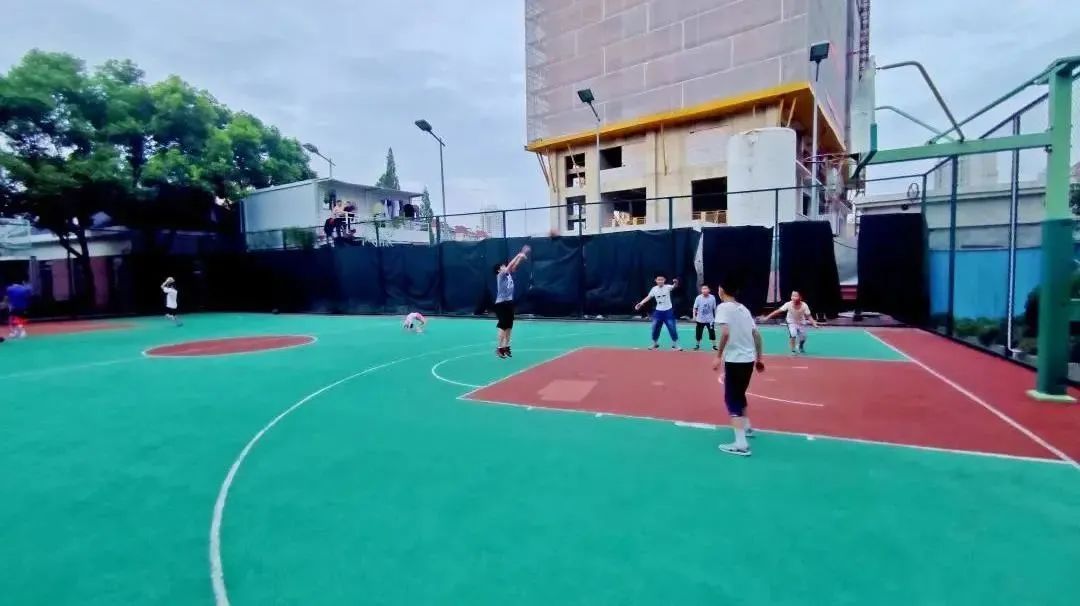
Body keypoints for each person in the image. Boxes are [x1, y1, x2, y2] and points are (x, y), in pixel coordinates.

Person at [712, 282, 765, 457]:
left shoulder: (723, 308)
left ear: (721, 290)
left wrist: (718, 356)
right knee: (740, 394)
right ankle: (747, 427)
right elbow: (756, 334)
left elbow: (725, 332)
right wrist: (759, 358)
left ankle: (741, 444)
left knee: (732, 399)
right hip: (748, 359)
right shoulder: (744, 309)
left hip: (735, 360)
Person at [493, 244, 530, 358]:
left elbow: (514, 266)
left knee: (509, 326)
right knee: (503, 325)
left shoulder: (508, 274)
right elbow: (509, 266)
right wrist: (519, 254)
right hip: (501, 304)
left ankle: (506, 347)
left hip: (509, 303)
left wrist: (521, 256)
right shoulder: (500, 276)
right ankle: (499, 348)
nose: (505, 266)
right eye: (502, 266)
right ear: (499, 270)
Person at [634, 275, 681, 351]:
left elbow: (674, 286)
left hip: (668, 312)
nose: (660, 281)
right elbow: (649, 297)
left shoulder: (667, 287)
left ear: (664, 280)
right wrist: (641, 303)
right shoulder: (654, 289)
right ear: (655, 281)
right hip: (658, 312)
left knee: (672, 327)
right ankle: (655, 344)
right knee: (655, 327)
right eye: (658, 280)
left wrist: (676, 282)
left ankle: (675, 345)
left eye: (662, 280)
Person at [692, 284, 718, 351]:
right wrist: (694, 316)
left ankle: (714, 346)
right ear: (701, 290)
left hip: (710, 319)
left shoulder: (712, 298)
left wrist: (716, 317)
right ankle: (697, 345)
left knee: (712, 332)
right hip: (700, 319)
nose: (704, 290)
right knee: (698, 333)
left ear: (709, 290)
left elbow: (714, 308)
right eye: (703, 289)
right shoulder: (698, 298)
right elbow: (695, 308)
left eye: (706, 288)